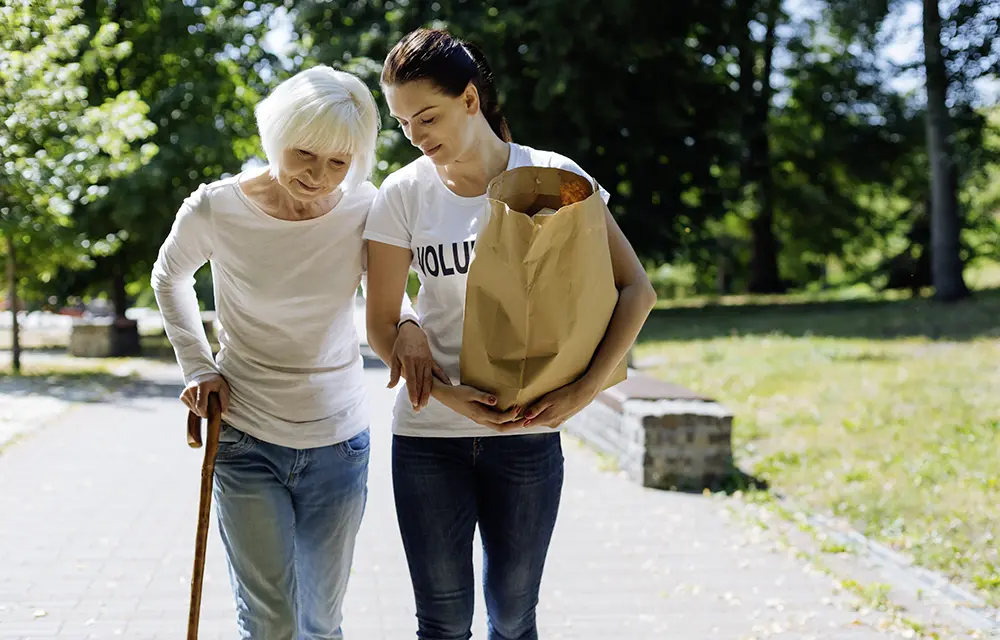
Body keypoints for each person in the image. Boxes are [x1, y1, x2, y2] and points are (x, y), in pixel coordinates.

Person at [363, 28, 658, 640]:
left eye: (427, 116)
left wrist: (579, 396)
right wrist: (445, 393)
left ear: (470, 99)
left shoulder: (553, 179)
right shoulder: (402, 194)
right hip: (428, 438)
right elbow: (381, 322)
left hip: (526, 437)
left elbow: (637, 291)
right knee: (441, 623)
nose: (416, 137)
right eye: (403, 125)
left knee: (512, 618)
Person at [151, 65, 419, 640]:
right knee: (270, 622)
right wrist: (199, 366)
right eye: (305, 153)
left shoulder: (366, 207)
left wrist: (412, 328)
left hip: (339, 441)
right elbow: (168, 276)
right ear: (276, 135)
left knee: (320, 623)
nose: (319, 176)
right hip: (246, 439)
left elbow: (392, 297)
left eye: (339, 163)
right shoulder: (217, 208)